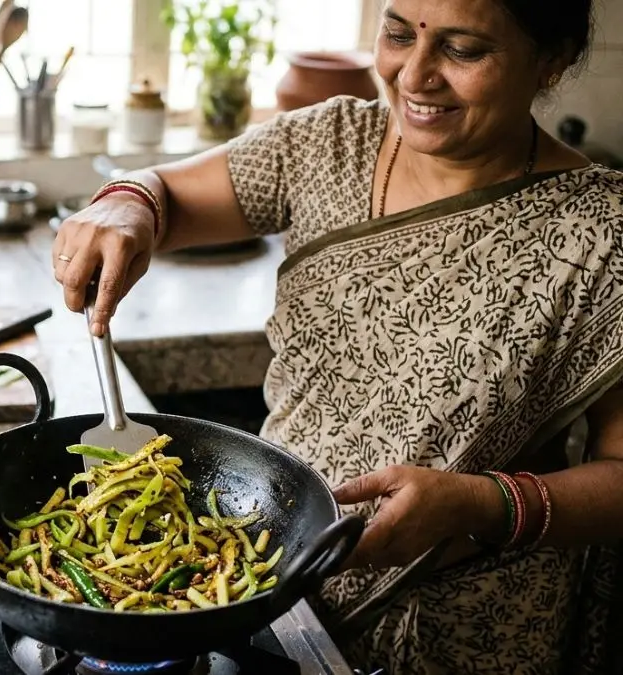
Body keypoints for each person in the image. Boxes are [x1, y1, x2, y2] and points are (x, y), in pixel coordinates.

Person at [52, 0, 622, 673]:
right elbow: (163, 195)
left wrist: (482, 502)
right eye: (398, 33)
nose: (414, 75)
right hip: (263, 576)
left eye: (463, 50)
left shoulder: (603, 234)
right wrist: (127, 202)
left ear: (549, 61)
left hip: (462, 626)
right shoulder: (327, 146)